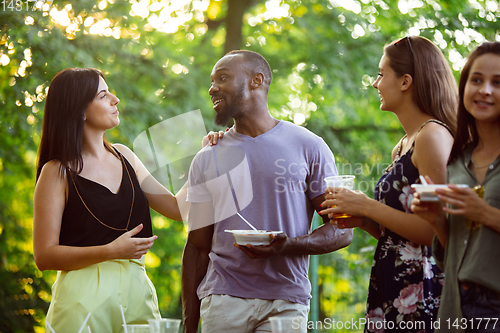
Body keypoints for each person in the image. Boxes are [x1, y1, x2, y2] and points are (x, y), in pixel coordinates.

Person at [181, 50, 352, 333]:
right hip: (223, 299)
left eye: (222, 78)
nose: (212, 89)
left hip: (287, 302)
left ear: (256, 81)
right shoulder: (207, 156)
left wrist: (288, 245)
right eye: (212, 81)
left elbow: (342, 228)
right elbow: (197, 247)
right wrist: (189, 326)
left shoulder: (309, 146)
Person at [319, 36, 458, 332]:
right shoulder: (403, 145)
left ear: (405, 81)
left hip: (424, 291)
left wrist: (367, 205)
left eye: (381, 74)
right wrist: (365, 220)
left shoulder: (432, 136)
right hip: (392, 285)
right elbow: (398, 237)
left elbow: (438, 232)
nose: (375, 84)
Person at [33, 68, 189, 332]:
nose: (115, 99)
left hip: (138, 296)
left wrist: (209, 156)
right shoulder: (56, 171)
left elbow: (177, 208)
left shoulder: (125, 156)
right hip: (82, 305)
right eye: (103, 95)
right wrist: (111, 251)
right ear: (80, 110)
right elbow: (44, 256)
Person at [411, 41, 500, 333]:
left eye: (497, 83)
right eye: (477, 80)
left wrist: (485, 213)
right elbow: (457, 256)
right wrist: (437, 220)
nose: (485, 90)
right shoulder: (458, 161)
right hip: (455, 308)